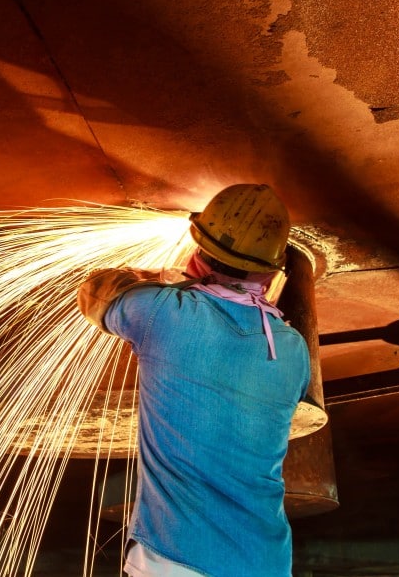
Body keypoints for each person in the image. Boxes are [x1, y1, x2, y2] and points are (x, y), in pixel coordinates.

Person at [77, 184, 311, 577]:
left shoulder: (163, 312)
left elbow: (94, 293)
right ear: (271, 271)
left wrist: (165, 279)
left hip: (179, 559)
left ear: (199, 252)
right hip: (265, 562)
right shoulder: (293, 349)